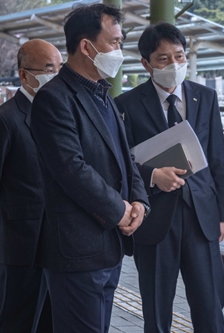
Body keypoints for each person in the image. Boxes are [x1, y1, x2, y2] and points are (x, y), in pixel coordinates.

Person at [30, 4, 149, 332]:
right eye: (114, 42)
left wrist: (139, 201)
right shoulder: (54, 98)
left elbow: (126, 158)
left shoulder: (104, 96)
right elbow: (71, 169)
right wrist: (119, 210)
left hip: (107, 246)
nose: (119, 50)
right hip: (76, 250)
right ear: (86, 46)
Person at [114, 22, 224, 333]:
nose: (174, 64)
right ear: (145, 63)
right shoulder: (125, 104)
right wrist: (153, 175)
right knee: (156, 307)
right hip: (154, 217)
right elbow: (120, 162)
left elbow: (217, 157)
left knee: (210, 304)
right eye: (163, 58)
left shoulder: (205, 97)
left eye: (179, 56)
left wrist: (223, 215)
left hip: (201, 216)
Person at [0, 39, 61, 333]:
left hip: (60, 242)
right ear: (25, 75)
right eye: (49, 68)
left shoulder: (62, 116)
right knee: (20, 319)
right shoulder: (7, 119)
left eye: (59, 68)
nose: (56, 75)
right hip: (20, 245)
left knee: (52, 319)